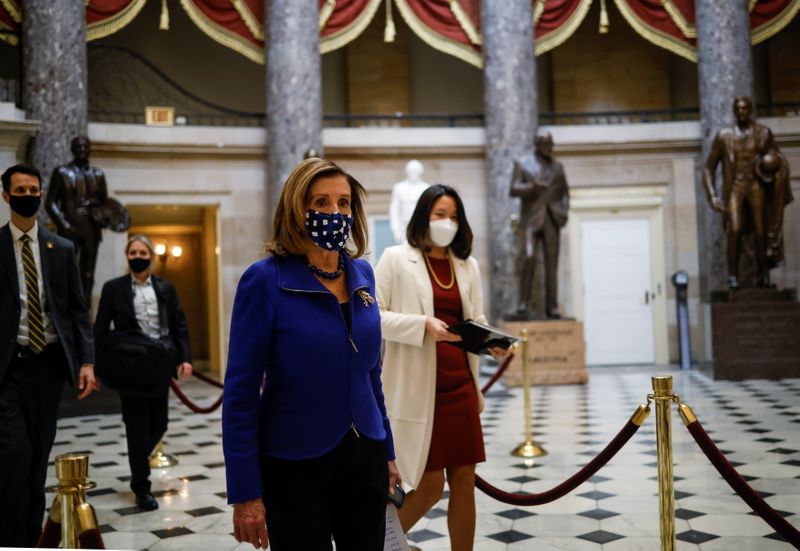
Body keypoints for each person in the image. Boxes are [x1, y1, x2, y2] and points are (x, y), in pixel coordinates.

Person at [223, 157, 399, 550]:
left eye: (343, 203)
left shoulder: (363, 276)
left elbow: (371, 374)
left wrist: (387, 451)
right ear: (296, 210)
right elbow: (240, 393)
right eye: (320, 203)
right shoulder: (265, 281)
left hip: (364, 454)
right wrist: (245, 491)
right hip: (294, 460)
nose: (334, 213)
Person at [375, 184, 510, 550]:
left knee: (465, 480)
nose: (447, 222)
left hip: (461, 386)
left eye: (453, 216)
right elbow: (373, 316)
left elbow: (474, 319)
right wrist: (422, 325)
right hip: (421, 390)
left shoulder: (467, 265)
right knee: (430, 486)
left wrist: (491, 342)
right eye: (439, 215)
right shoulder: (395, 258)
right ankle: (382, 544)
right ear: (424, 217)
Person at [0, 163, 98, 547]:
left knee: (38, 458)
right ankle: (13, 539)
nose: (29, 196)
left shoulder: (62, 249)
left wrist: (87, 361)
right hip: (7, 370)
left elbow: (77, 310)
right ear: (6, 195)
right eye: (20, 190)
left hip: (48, 367)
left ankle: (31, 538)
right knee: (12, 457)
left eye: (34, 189)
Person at [93, 234, 193, 511]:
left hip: (159, 366)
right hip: (130, 367)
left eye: (142, 252)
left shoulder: (165, 288)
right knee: (136, 429)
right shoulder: (114, 288)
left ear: (150, 256)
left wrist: (184, 358)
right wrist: (95, 367)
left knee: (159, 424)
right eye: (133, 252)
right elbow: (100, 328)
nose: (138, 257)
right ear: (127, 256)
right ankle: (141, 486)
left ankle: (138, 460)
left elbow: (179, 324)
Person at [703, 96, 793, 288]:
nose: (741, 112)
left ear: (750, 110)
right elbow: (708, 168)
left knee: (760, 232)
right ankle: (733, 277)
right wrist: (712, 196)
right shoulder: (723, 136)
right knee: (734, 230)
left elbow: (779, 160)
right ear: (734, 111)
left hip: (755, 185)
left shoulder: (763, 133)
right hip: (735, 187)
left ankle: (762, 276)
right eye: (738, 109)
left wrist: (774, 168)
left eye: (744, 108)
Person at [510, 129, 569, 319]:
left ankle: (552, 307)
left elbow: (565, 192)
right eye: (546, 145)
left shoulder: (558, 167)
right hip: (531, 219)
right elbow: (513, 189)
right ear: (537, 145)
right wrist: (532, 187)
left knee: (552, 265)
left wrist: (565, 211)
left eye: (551, 145)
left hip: (552, 219)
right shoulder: (523, 163)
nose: (550, 148)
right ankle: (522, 304)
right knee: (528, 258)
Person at [45, 135, 109, 302]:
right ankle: (64, 306)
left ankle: (84, 307)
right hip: (69, 227)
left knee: (88, 272)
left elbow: (105, 204)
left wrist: (102, 215)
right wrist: (64, 225)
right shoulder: (61, 172)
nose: (82, 150)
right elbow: (50, 203)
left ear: (89, 149)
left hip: (91, 228)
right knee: (66, 269)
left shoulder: (99, 174)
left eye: (85, 146)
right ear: (73, 149)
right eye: (78, 146)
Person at [389, 159, 430, 244]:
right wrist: (396, 230)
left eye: (415, 171)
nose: (413, 173)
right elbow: (394, 210)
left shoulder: (426, 188)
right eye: (411, 171)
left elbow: (429, 210)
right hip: (404, 227)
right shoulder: (399, 188)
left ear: (420, 172)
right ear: (407, 171)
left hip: (421, 227)